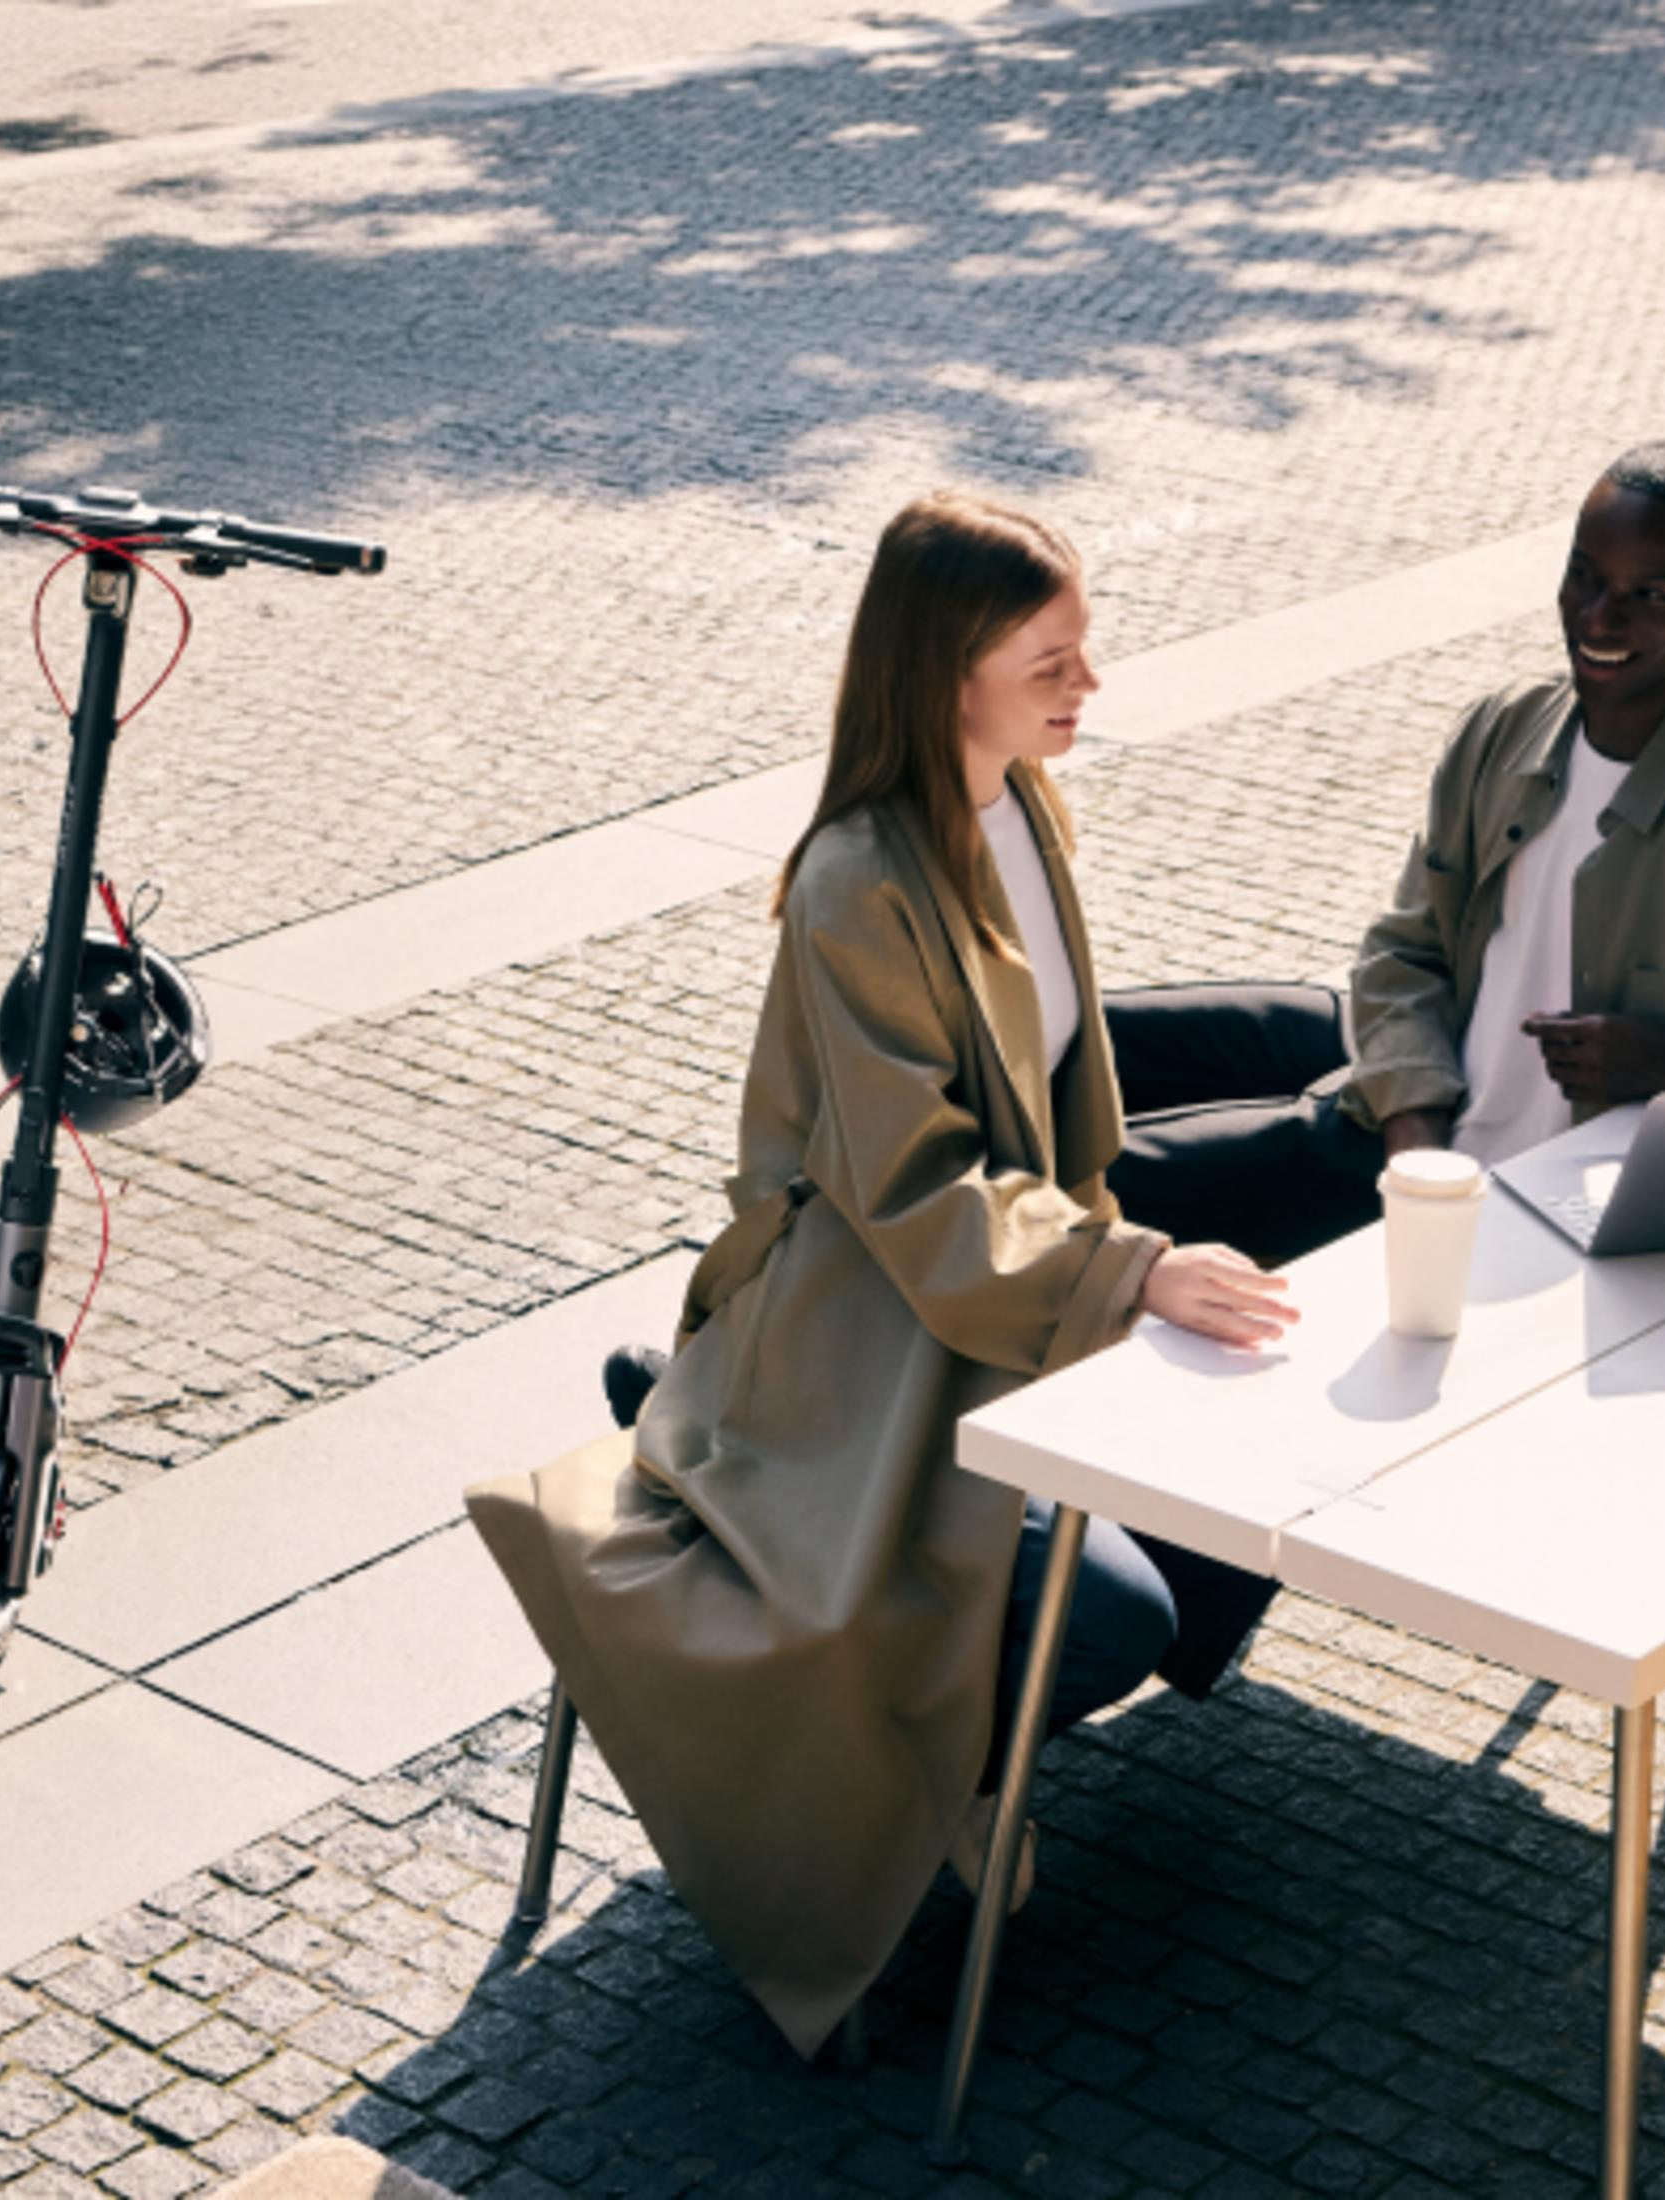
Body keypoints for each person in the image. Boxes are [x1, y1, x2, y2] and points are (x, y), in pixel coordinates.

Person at [467, 491, 1295, 2061]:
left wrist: (1123, 1267)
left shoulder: (1020, 809)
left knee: (1243, 1499)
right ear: (945, 674)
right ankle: (925, 1780)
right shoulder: (858, 880)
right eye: (1048, 658)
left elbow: (1057, 1102)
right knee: (1108, 1614)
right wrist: (1129, 1273)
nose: (1086, 685)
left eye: (1082, 650)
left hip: (994, 1303)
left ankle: (945, 1746)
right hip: (864, 1335)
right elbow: (913, 1190)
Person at [1091, 439, 1665, 1264]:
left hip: (1551, 1208)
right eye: (1582, 577)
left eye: (1650, 595)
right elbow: (1406, 947)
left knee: (1098, 1209)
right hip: (1402, 1117)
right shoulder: (1502, 728)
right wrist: (1414, 1150)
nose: (1597, 618)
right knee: (1083, 1072)